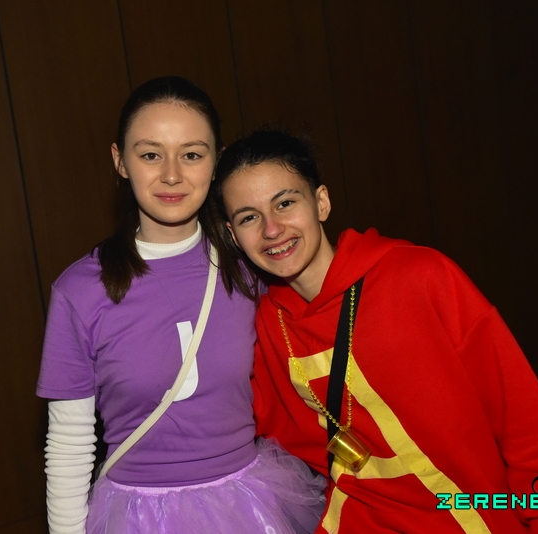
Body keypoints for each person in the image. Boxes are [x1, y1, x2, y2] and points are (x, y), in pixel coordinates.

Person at [211, 128, 538, 533]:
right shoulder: (268, 324)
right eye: (249, 217)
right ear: (234, 236)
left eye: (285, 203)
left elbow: (529, 430)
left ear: (321, 202)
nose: (272, 229)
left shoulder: (419, 278)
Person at [36, 78, 324, 534]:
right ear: (120, 161)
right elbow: (70, 441)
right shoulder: (81, 290)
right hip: (137, 515)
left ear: (216, 162)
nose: (172, 175)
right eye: (151, 155)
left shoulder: (252, 263)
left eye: (191, 154)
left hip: (250, 504)